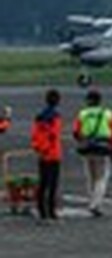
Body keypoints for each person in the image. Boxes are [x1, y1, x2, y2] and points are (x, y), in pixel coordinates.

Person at [73, 90, 112, 217]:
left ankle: (91, 201)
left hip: (87, 147)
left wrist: (83, 140)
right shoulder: (108, 114)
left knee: (90, 176)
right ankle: (96, 204)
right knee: (101, 178)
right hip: (103, 147)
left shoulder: (82, 114)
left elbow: (76, 132)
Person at [29, 89, 62, 222]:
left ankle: (42, 210)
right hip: (53, 153)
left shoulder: (39, 117)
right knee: (53, 184)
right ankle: (51, 211)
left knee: (43, 183)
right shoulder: (56, 117)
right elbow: (55, 134)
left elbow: (35, 135)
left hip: (43, 153)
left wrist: (40, 148)